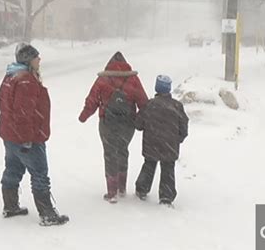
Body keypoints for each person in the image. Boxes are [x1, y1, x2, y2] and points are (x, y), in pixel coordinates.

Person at [0, 42, 69, 226]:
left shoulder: (10, 76)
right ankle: (47, 214)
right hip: (27, 137)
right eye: (37, 57)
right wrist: (27, 139)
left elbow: (7, 108)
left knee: (13, 169)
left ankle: (10, 206)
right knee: (39, 173)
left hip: (10, 136)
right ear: (28, 60)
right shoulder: (26, 80)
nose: (40, 59)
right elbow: (23, 112)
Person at [79, 52, 148, 203]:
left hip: (107, 124)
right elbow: (143, 102)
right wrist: (139, 120)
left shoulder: (103, 80)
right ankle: (122, 188)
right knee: (123, 151)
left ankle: (112, 193)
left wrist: (83, 116)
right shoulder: (133, 79)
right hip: (127, 125)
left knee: (110, 154)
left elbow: (92, 100)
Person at [134, 75, 189, 207]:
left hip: (151, 144)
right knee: (168, 169)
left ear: (156, 88)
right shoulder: (177, 106)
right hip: (170, 145)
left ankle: (142, 189)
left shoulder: (149, 105)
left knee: (149, 165)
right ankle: (166, 196)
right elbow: (184, 126)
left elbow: (138, 124)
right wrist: (177, 139)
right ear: (169, 89)